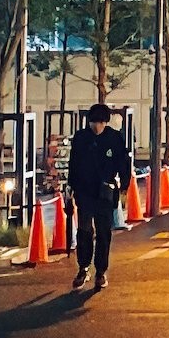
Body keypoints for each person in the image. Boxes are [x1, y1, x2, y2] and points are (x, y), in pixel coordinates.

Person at [65, 101, 133, 293]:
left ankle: (101, 271)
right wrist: (70, 187)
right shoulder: (80, 138)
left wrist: (124, 186)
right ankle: (83, 268)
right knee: (84, 230)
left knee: (104, 233)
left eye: (100, 122)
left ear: (106, 122)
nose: (97, 126)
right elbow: (74, 164)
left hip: (105, 193)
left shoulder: (114, 138)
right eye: (93, 122)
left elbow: (123, 163)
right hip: (84, 191)